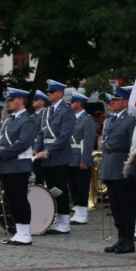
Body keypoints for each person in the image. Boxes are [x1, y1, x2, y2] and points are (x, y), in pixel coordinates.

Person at [0, 87, 40, 245]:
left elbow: (23, 143)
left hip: (19, 165)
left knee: (20, 199)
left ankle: (25, 233)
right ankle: (18, 231)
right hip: (7, 164)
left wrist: (2, 152)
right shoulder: (10, 119)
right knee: (11, 199)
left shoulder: (28, 119)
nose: (9, 103)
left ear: (21, 100)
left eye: (11, 100)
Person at [34, 79, 74, 234]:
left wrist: (49, 151)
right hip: (45, 156)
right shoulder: (46, 111)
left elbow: (64, 136)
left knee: (60, 189)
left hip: (59, 156)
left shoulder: (66, 110)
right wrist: (37, 149)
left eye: (51, 92)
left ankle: (65, 222)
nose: (48, 94)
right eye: (48, 92)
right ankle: (57, 218)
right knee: (51, 189)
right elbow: (40, 133)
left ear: (60, 93)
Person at [101, 88, 136, 253]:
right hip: (110, 166)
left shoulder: (130, 120)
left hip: (122, 167)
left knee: (126, 206)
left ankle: (129, 240)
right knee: (115, 207)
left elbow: (133, 147)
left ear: (125, 102)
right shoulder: (109, 120)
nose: (112, 103)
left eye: (117, 100)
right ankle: (121, 238)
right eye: (111, 100)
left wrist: (131, 169)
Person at [68, 92, 97, 225]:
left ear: (79, 104)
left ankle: (82, 213)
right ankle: (77, 211)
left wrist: (85, 159)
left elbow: (89, 141)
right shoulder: (72, 118)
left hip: (80, 157)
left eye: (73, 101)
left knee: (81, 187)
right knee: (73, 186)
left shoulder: (87, 119)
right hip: (70, 158)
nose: (70, 104)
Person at [30, 90, 49, 187]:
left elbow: (41, 133)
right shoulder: (33, 116)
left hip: (40, 149)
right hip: (31, 148)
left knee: (39, 175)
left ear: (42, 102)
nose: (33, 101)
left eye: (36, 100)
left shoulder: (44, 115)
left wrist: (36, 148)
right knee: (33, 176)